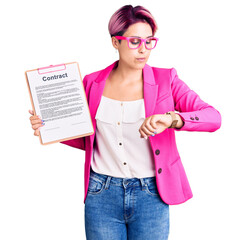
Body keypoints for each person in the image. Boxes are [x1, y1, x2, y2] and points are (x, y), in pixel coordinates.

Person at [29, 4, 222, 240]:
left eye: (149, 41)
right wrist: (48, 127)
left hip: (152, 193)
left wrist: (172, 119)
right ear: (115, 42)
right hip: (101, 194)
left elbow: (213, 117)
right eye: (134, 41)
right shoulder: (92, 83)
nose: (143, 49)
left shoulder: (166, 80)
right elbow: (89, 139)